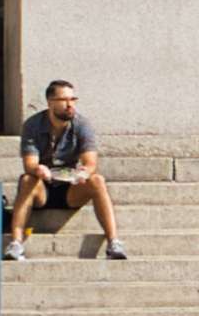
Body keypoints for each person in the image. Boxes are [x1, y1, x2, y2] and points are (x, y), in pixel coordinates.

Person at [7, 80, 122, 262]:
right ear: (50, 102)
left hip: (70, 189)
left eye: (73, 99)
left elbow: (91, 162)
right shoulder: (33, 125)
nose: (70, 105)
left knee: (97, 180)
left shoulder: (82, 125)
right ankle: (16, 243)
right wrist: (39, 169)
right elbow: (29, 164)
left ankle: (113, 243)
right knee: (27, 179)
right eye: (64, 100)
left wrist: (84, 172)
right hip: (41, 188)